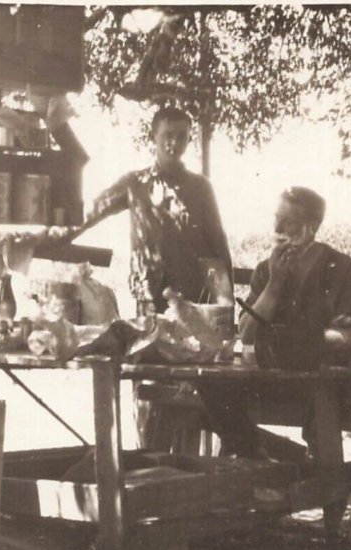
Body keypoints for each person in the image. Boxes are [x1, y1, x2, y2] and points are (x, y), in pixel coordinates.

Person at [85, 106, 233, 449]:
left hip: (193, 309)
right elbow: (88, 213)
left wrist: (227, 319)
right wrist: (44, 237)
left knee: (190, 400)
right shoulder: (135, 183)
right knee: (148, 397)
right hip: (147, 306)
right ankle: (146, 470)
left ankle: (184, 484)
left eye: (181, 136)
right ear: (153, 136)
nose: (174, 143)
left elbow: (219, 251)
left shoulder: (200, 188)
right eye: (167, 135)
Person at [201, 186, 351, 458]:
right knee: (210, 384)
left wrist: (303, 342)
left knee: (324, 406)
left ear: (311, 227)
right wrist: (274, 286)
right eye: (276, 218)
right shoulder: (267, 269)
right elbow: (247, 334)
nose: (277, 227)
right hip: (273, 376)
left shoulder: (341, 269)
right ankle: (254, 456)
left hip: (322, 379)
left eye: (288, 221)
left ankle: (315, 479)